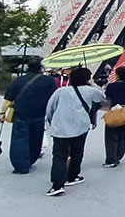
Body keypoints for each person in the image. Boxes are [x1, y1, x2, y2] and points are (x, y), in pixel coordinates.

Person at [44, 67, 105, 196]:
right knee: (77, 152)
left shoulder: (61, 91)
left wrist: (51, 121)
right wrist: (93, 83)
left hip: (61, 128)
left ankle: (57, 185)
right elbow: (102, 97)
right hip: (81, 127)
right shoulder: (91, 91)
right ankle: (72, 176)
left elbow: (50, 108)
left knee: (60, 156)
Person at [0, 60, 57, 174]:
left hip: (21, 114)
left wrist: (2, 113)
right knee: (36, 139)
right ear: (40, 69)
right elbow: (54, 98)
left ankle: (21, 166)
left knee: (20, 140)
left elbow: (8, 99)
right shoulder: (49, 81)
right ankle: (31, 160)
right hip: (39, 114)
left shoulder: (19, 80)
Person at [102, 66, 125, 168]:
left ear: (117, 75)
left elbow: (106, 100)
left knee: (111, 137)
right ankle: (118, 156)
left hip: (114, 112)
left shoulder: (111, 86)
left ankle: (111, 160)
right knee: (122, 136)